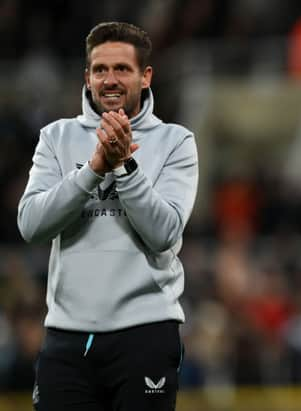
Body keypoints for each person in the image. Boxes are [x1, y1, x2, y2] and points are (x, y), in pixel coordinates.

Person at [17, 22, 198, 411]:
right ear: (87, 76)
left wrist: (124, 167)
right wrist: (93, 169)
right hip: (67, 335)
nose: (109, 80)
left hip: (146, 332)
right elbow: (31, 224)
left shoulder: (175, 141)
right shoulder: (56, 137)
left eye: (122, 69)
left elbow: (164, 232)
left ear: (145, 76)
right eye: (100, 69)